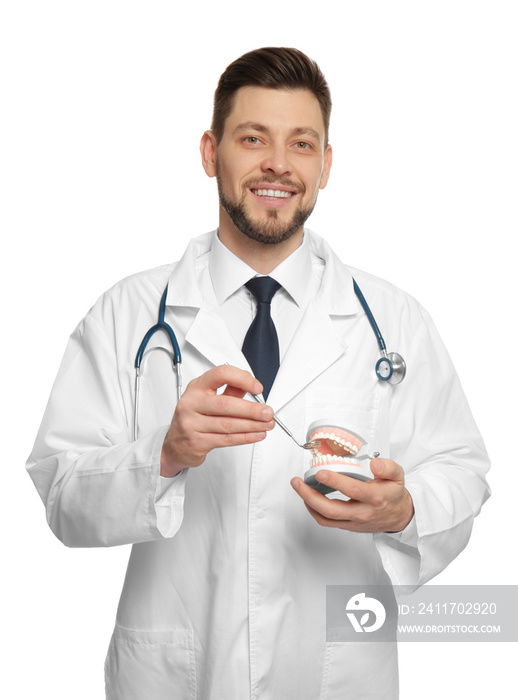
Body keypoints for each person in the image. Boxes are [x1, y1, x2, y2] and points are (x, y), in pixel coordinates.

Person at [26, 47, 490, 700]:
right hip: (178, 674)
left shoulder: (394, 321)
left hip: (338, 674)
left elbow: (463, 471)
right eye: (253, 139)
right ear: (211, 152)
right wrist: (163, 453)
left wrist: (404, 509)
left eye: (302, 143)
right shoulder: (129, 315)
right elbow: (60, 494)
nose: (278, 163)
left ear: (326, 165)